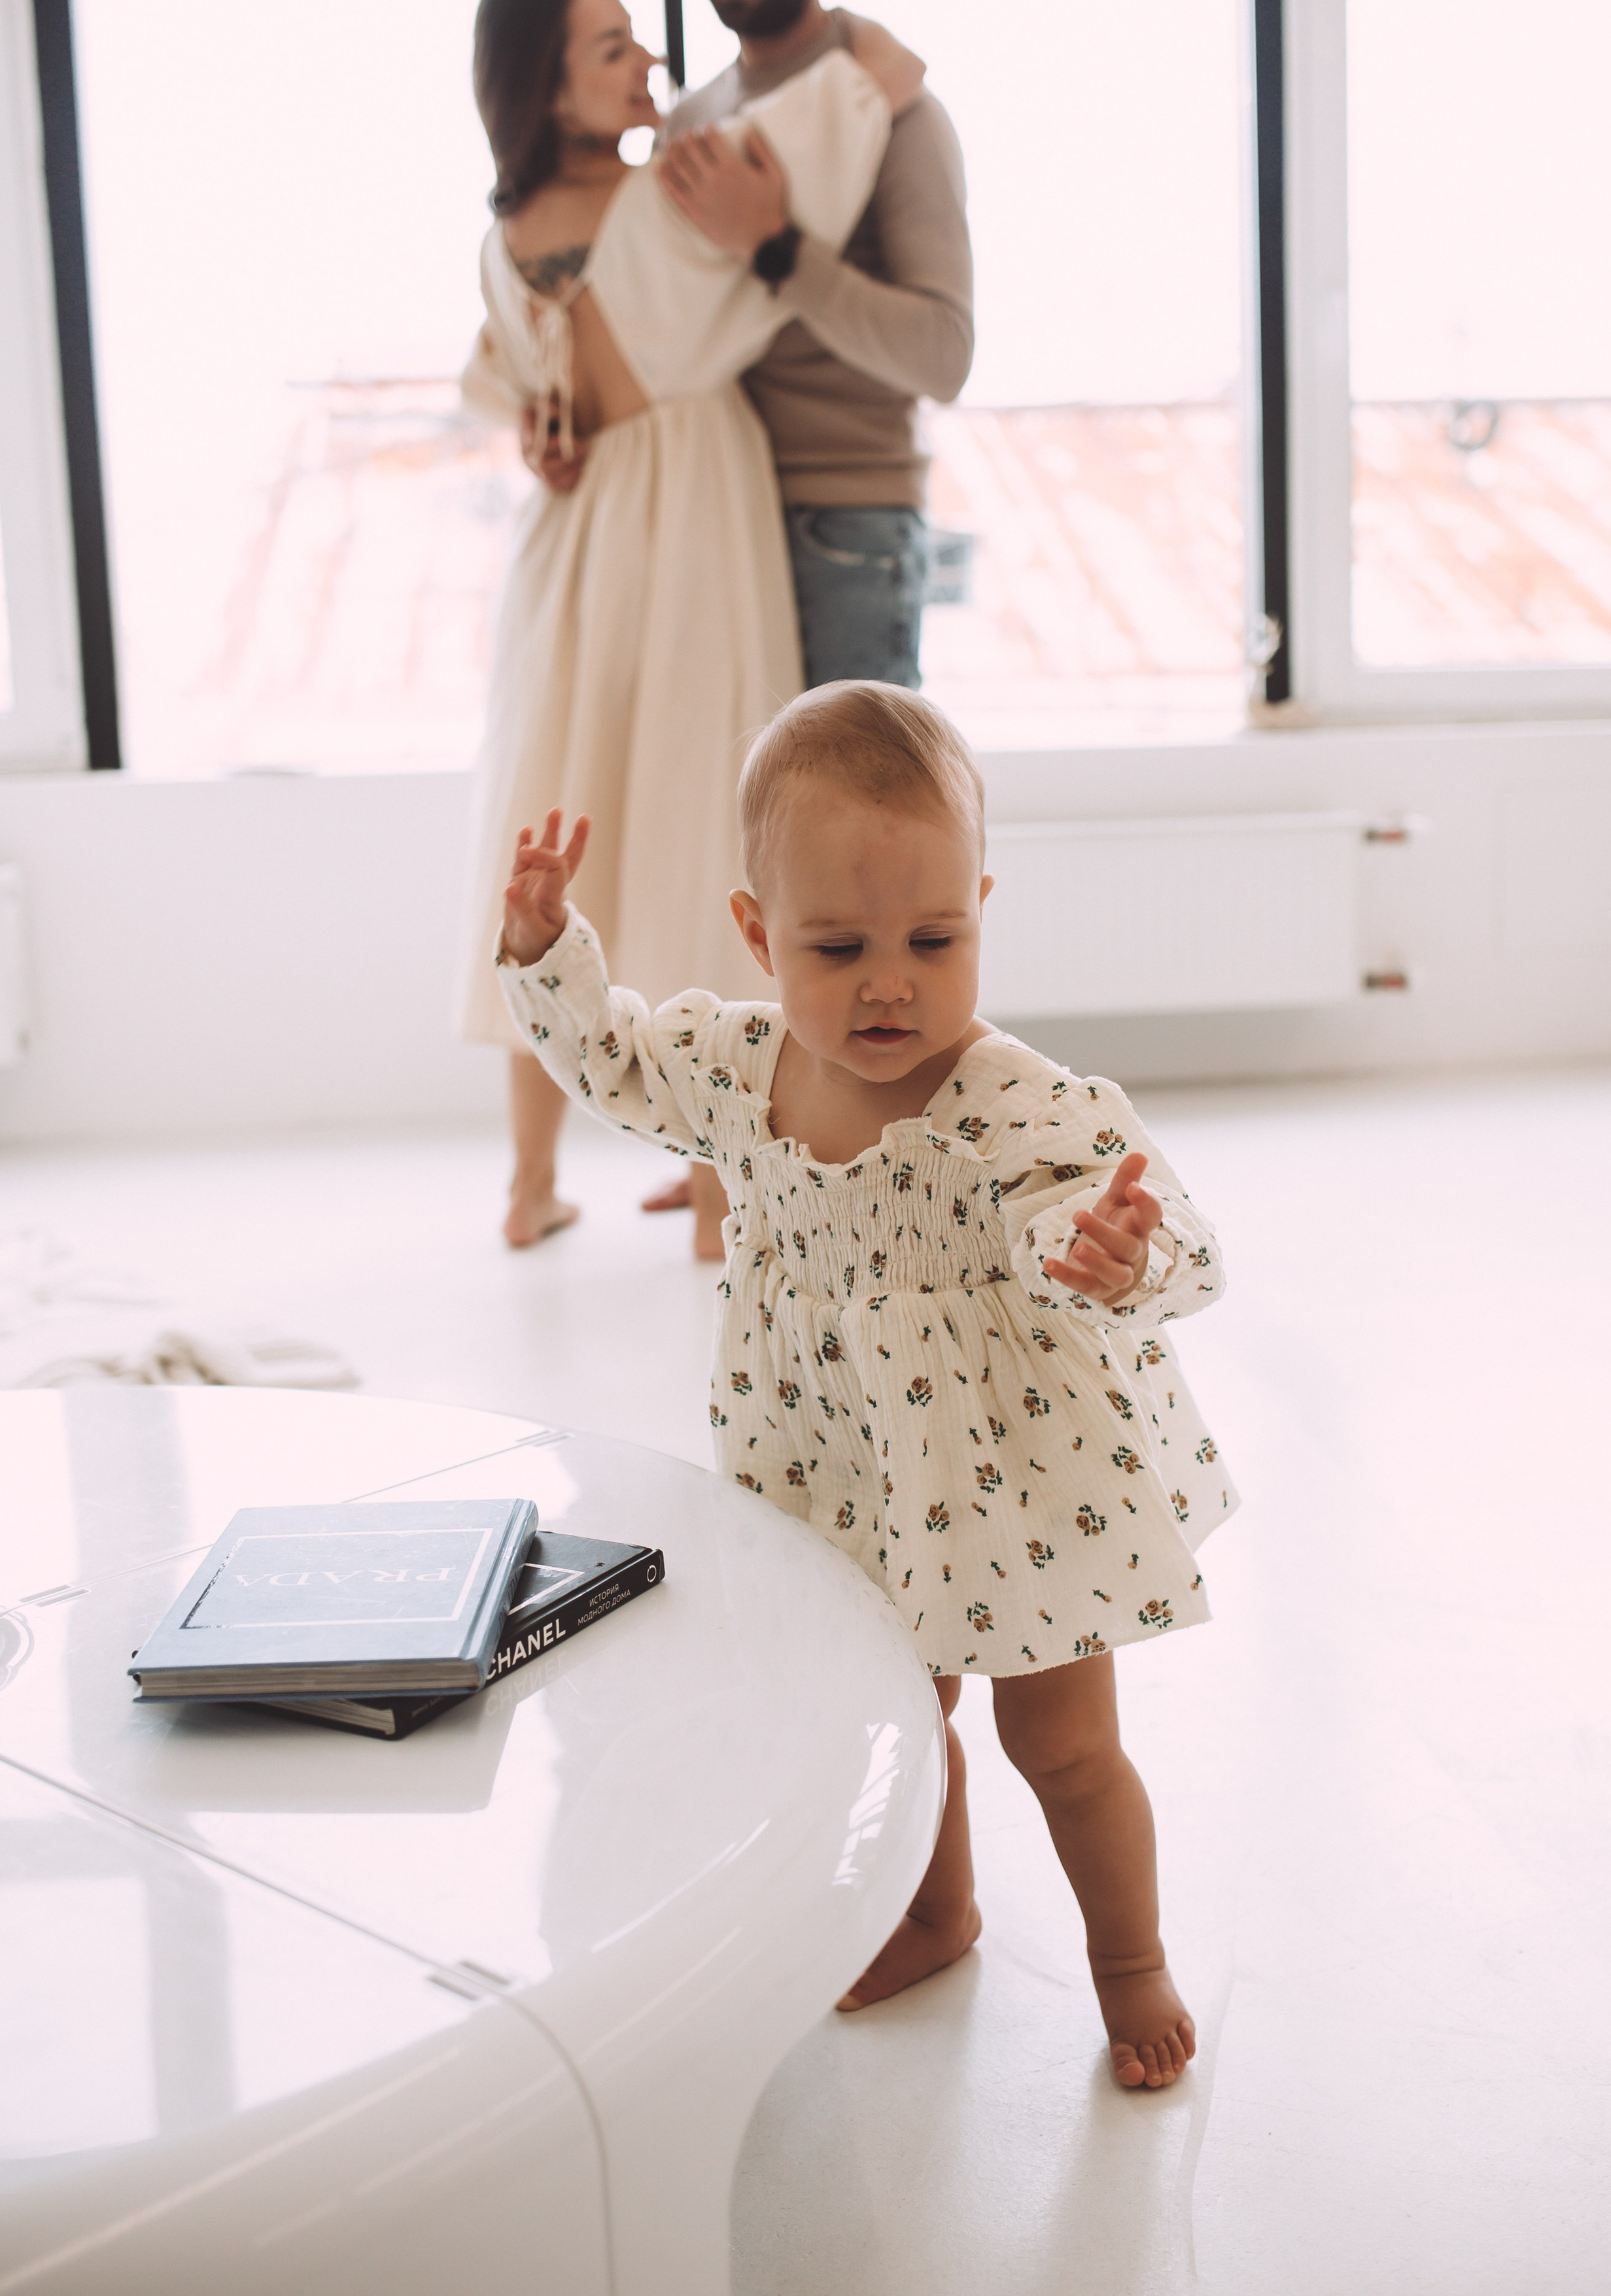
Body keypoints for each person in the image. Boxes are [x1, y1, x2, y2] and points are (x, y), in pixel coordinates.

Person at [493, 683, 1238, 2090]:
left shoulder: (1009, 1097)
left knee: (1063, 1742)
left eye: (933, 940)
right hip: (833, 1456)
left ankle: (1126, 1959)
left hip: (1016, 1477)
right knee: (901, 1710)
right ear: (758, 934)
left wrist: (1109, 1254)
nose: (888, 982)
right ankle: (932, 1909)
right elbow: (615, 1064)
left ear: (979, 910)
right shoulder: (735, 1071)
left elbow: (1157, 1228)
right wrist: (547, 952)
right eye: (836, 948)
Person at [455, 0, 922, 1254]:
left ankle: (533, 1182)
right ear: (547, 85)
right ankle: (718, 1189)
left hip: (575, 526)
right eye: (610, 48)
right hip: (690, 496)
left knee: (556, 799)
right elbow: (876, 86)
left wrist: (542, 437)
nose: (646, 57)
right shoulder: (675, 193)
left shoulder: (506, 228)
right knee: (696, 812)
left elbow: (513, 386)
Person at [662, 0, 975, 692]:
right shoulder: (694, 121)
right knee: (730, 831)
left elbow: (944, 357)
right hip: (714, 512)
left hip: (846, 524)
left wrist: (775, 246)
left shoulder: (899, 111)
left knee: (858, 832)